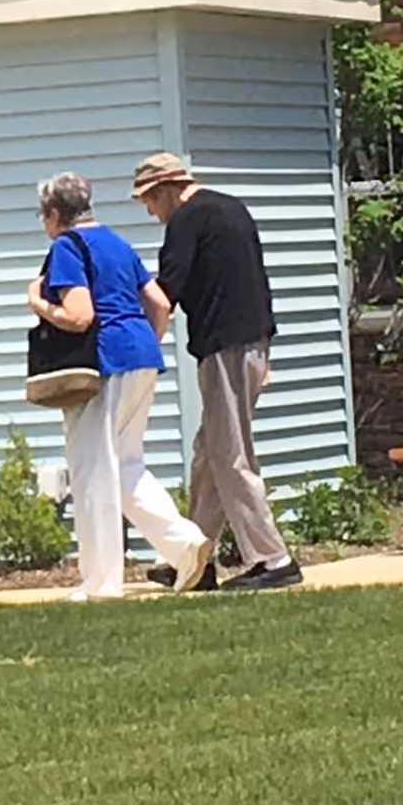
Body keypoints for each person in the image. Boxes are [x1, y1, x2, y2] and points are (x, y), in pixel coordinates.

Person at [26, 172, 213, 600]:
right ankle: (185, 545)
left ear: (56, 214)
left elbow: (79, 315)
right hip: (142, 356)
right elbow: (161, 303)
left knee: (93, 472)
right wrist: (146, 341)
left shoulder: (66, 247)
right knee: (126, 464)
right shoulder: (118, 243)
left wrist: (38, 303)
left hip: (103, 364)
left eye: (44, 216)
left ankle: (99, 583)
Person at [132, 151, 302, 592]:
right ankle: (195, 559)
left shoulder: (187, 220)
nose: (151, 212)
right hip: (251, 345)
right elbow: (256, 282)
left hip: (225, 348)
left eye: (149, 201)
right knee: (209, 454)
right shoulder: (232, 208)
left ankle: (273, 559)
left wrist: (143, 352)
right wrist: (263, 354)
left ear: (166, 189)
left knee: (230, 455)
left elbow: (163, 297)